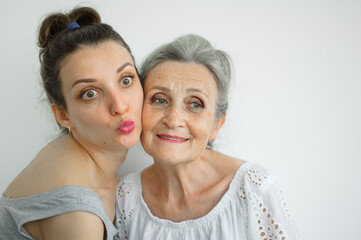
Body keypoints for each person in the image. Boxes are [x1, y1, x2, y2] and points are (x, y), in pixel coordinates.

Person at [115, 34, 299, 240]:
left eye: (195, 104)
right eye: (159, 99)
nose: (174, 119)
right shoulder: (125, 197)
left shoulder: (254, 189)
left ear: (217, 123)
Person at [0, 7, 143, 240]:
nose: (119, 105)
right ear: (63, 115)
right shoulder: (77, 215)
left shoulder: (78, 153)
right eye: (90, 93)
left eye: (126, 80)